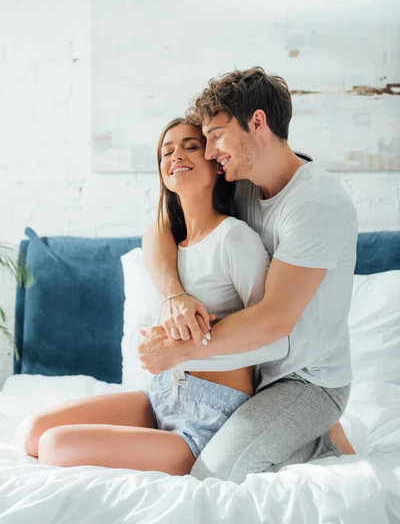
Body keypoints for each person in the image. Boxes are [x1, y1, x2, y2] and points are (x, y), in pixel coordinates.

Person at [14, 117, 288, 475]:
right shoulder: (169, 242)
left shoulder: (234, 239)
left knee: (54, 446)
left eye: (191, 146)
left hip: (211, 417)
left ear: (215, 163)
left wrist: (194, 343)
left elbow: (272, 336)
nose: (177, 155)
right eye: (166, 151)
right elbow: (156, 239)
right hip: (162, 394)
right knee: (31, 432)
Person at [139, 66, 357, 484]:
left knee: (216, 475)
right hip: (256, 374)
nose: (209, 152)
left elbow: (275, 321)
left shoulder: (315, 204)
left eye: (217, 135)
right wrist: (173, 295)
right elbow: (163, 228)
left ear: (257, 122)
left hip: (305, 381)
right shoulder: (243, 185)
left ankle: (320, 439)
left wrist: (178, 350)